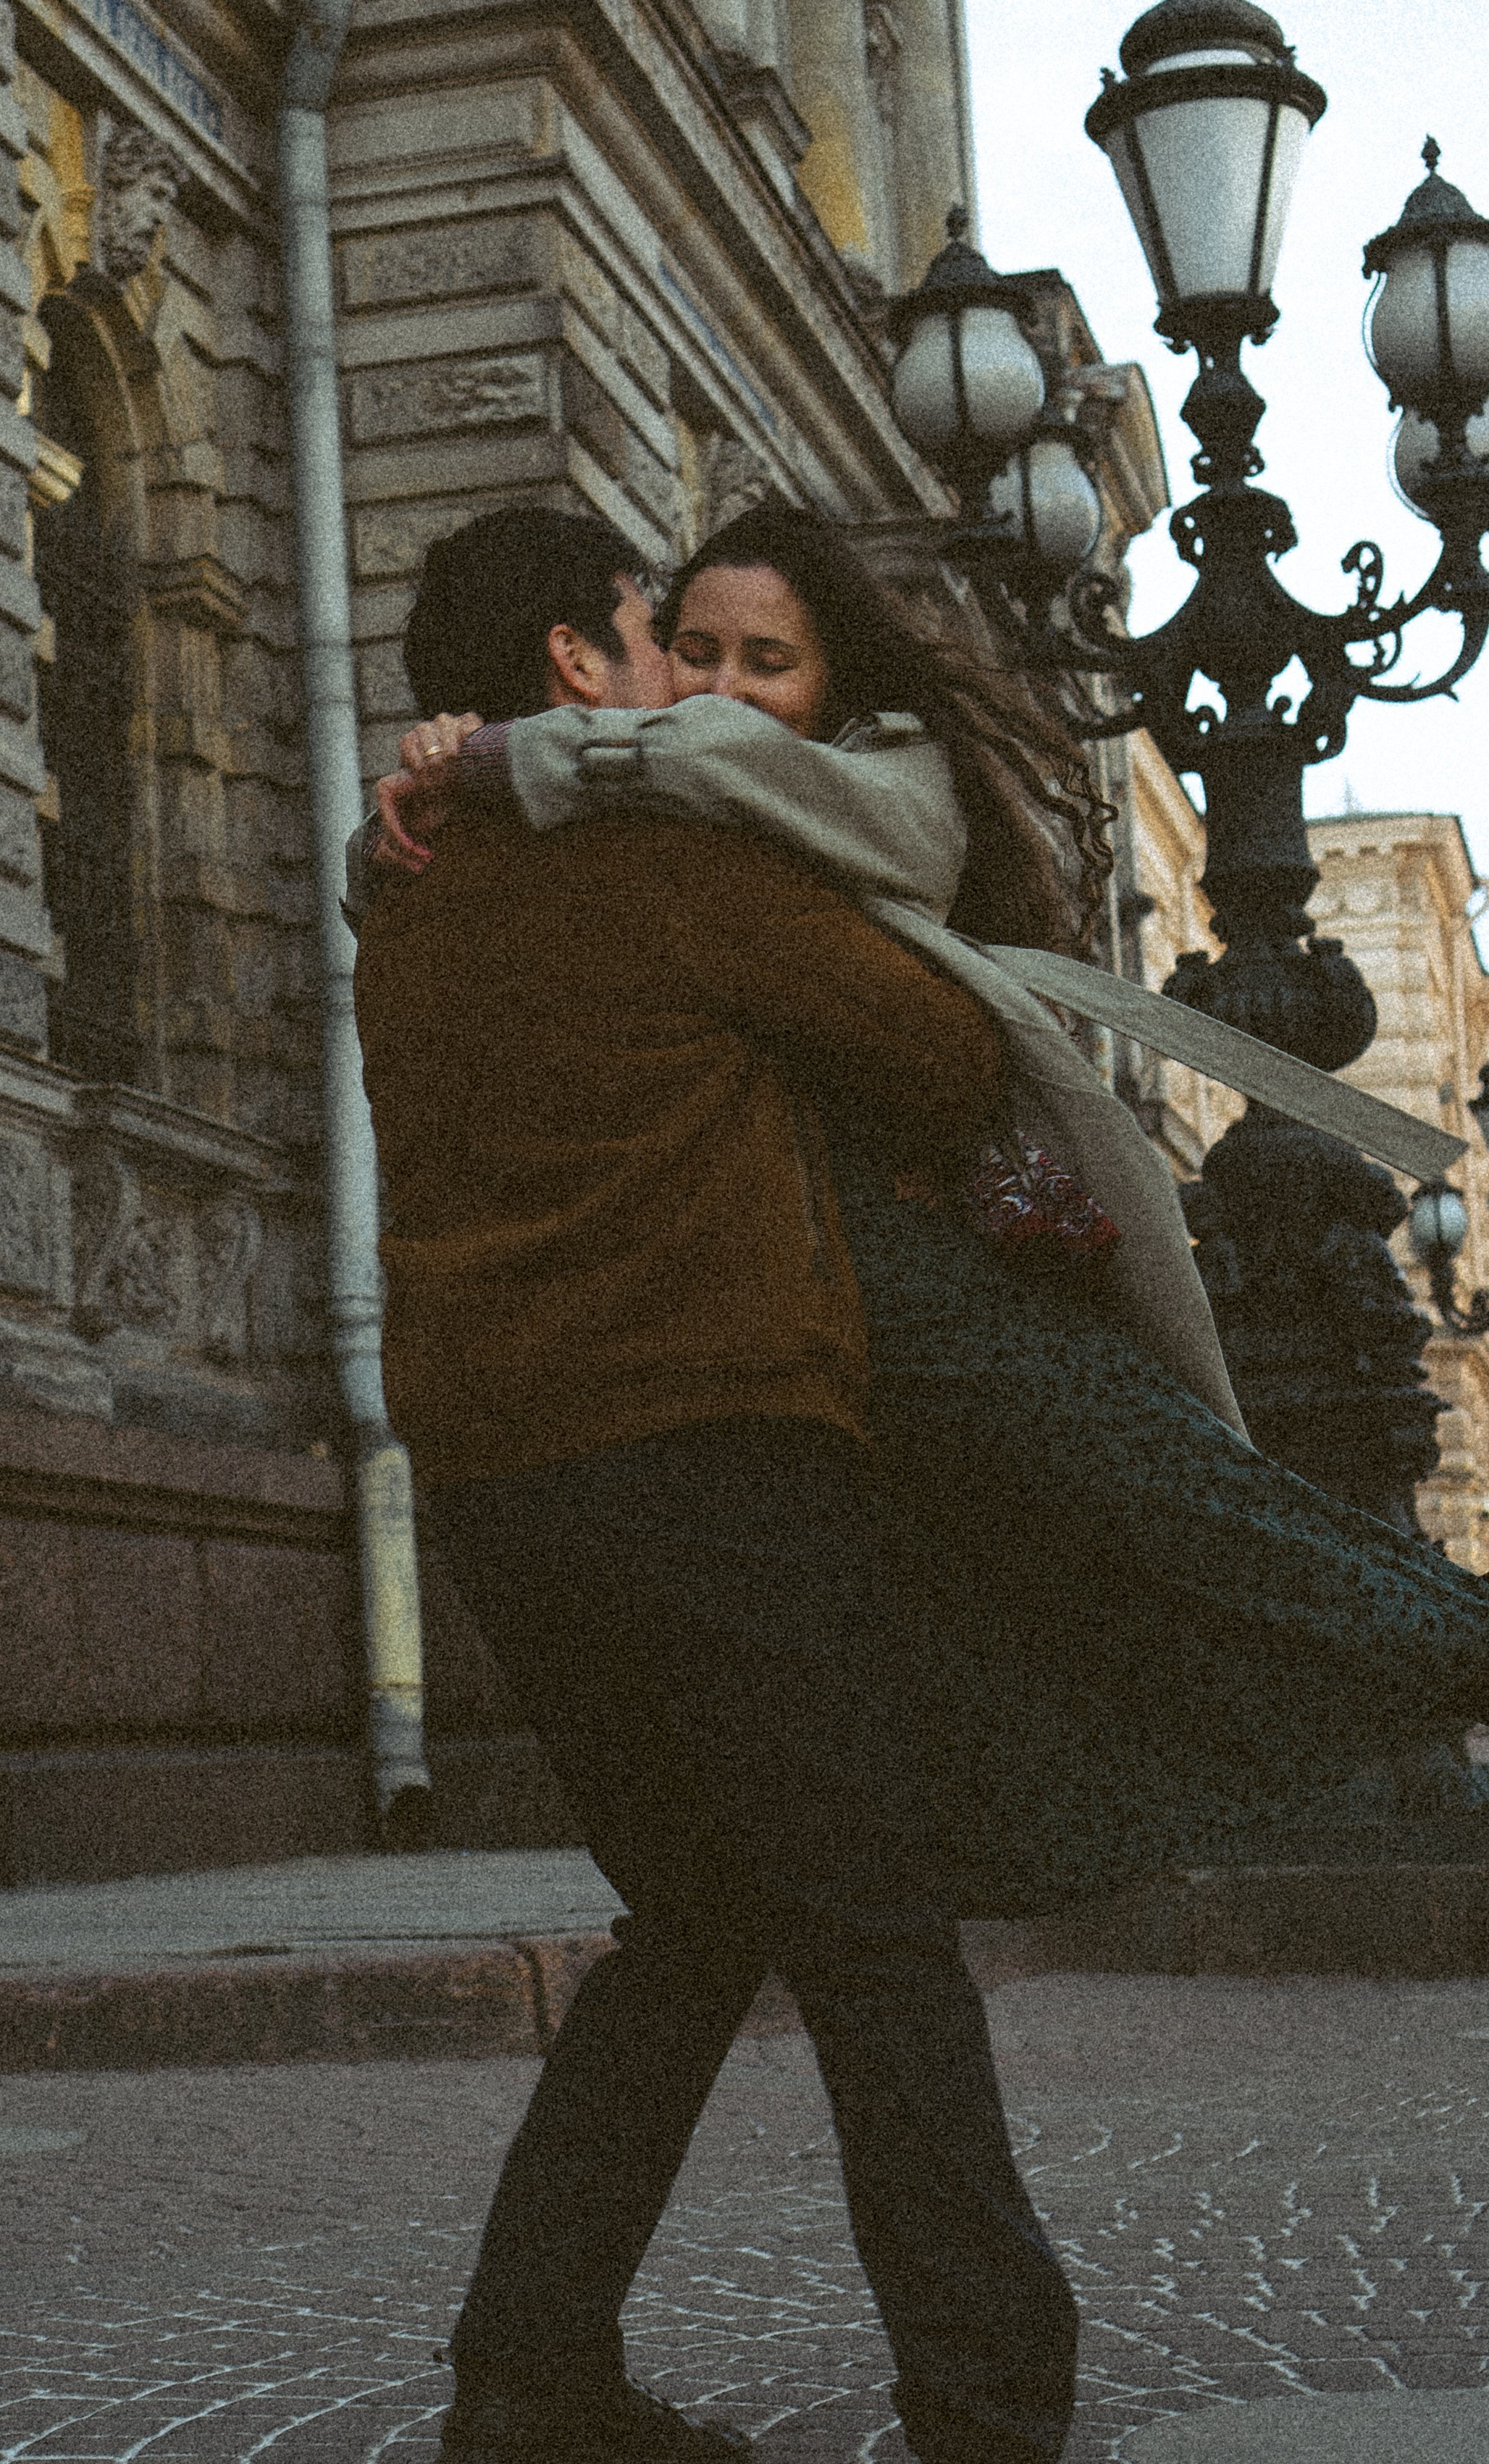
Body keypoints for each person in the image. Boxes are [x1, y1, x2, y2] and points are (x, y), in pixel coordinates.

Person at [371, 499, 1489, 1922]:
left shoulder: (809, 797)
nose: (709, 692)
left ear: (835, 682)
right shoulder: (619, 839)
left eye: (761, 659)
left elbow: (940, 1050)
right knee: (818, 1869)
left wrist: (488, 754)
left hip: (903, 1289)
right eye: (682, 643)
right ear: (579, 657)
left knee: (1211, 1535)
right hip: (787, 1353)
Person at [351, 503, 1082, 2464]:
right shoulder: (676, 860)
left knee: (693, 1914)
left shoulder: (404, 895)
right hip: (718, 1458)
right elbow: (937, 1058)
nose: (684, 683)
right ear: (583, 666)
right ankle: (995, 2408)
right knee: (871, 1935)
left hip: (501, 1487)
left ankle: (530, 2374)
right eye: (651, 639)